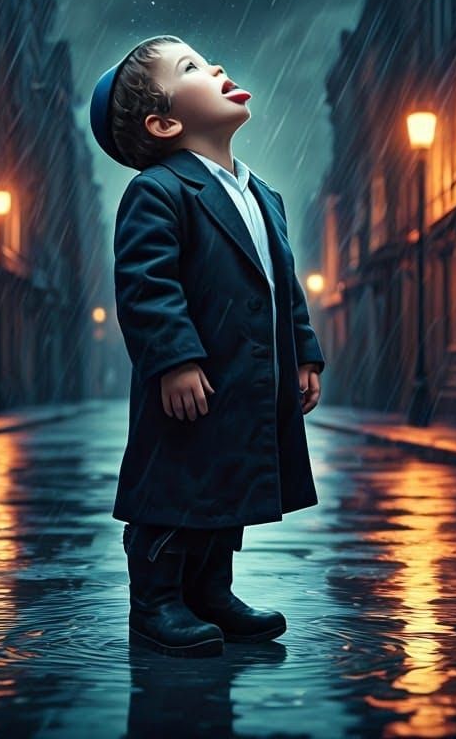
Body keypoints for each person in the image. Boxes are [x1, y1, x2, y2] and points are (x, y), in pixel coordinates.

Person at [89, 35, 326, 658]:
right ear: (163, 122)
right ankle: (156, 601)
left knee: (228, 483)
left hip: (245, 379)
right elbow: (146, 284)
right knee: (175, 485)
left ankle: (211, 591)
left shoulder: (262, 193)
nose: (218, 65)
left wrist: (303, 352)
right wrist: (174, 359)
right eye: (192, 67)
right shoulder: (160, 191)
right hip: (192, 379)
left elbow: (283, 284)